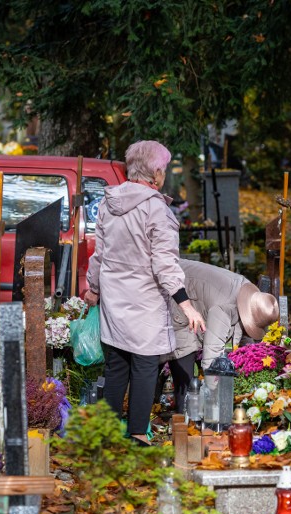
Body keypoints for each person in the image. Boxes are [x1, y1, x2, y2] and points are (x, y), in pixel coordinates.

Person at [84, 140, 205, 445]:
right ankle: (138, 432)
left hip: (114, 300)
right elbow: (165, 264)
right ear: (157, 172)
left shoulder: (107, 204)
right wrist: (187, 306)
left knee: (116, 364)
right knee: (145, 365)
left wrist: (93, 290)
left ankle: (106, 434)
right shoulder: (157, 210)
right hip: (145, 302)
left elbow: (100, 254)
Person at [164, 258, 279, 412]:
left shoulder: (249, 297)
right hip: (176, 293)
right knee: (184, 372)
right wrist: (217, 402)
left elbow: (245, 342)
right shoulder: (224, 308)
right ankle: (181, 420)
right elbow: (211, 360)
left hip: (188, 287)